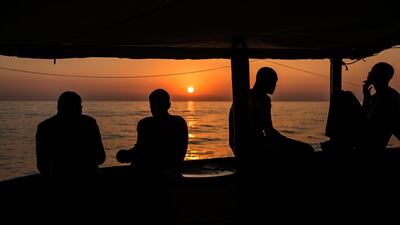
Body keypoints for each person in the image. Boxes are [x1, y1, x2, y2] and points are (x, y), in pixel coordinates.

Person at [229, 67, 314, 159]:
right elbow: (240, 134)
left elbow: (269, 129)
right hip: (245, 146)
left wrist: (285, 140)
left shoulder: (266, 100)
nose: (274, 85)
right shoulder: (246, 98)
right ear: (262, 81)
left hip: (261, 142)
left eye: (275, 82)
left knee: (306, 149)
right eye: (273, 81)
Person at [322, 62, 400, 153]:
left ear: (381, 76)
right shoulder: (376, 96)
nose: (369, 73)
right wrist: (366, 97)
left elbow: (376, 122)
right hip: (365, 135)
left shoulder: (391, 97)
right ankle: (336, 139)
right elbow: (365, 116)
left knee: (346, 95)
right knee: (339, 95)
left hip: (371, 140)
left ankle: (336, 139)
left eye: (372, 71)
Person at [35, 91, 106, 183]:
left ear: (58, 107)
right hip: (90, 178)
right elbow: (101, 157)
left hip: (58, 180)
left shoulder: (44, 127)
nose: (81, 109)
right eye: (80, 106)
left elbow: (42, 166)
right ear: (78, 108)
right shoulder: (89, 123)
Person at [116, 89, 188, 175]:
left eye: (157, 104)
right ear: (169, 105)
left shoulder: (145, 124)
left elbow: (143, 151)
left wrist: (126, 155)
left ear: (168, 105)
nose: (154, 108)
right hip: (173, 171)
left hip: (151, 172)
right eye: (153, 104)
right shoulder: (179, 122)